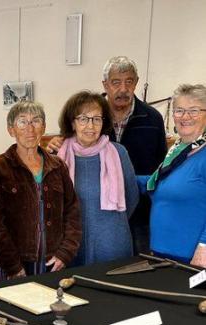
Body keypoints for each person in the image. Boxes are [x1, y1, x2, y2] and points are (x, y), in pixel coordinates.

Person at [48, 56, 167, 254]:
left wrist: (114, 222)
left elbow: (157, 168)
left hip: (130, 221)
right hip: (73, 235)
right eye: (116, 82)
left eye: (129, 81)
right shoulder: (63, 152)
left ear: (136, 83)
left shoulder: (152, 118)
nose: (123, 88)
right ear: (105, 84)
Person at [0, 101, 81, 279]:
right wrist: (13, 265)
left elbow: (72, 211)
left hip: (52, 262)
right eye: (22, 122)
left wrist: (65, 252)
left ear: (44, 127)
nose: (30, 128)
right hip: (13, 264)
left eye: (36, 121)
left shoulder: (58, 166)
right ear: (11, 130)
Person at [56, 91, 139, 266]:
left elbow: (132, 196)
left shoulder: (118, 152)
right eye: (83, 119)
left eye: (96, 119)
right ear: (72, 123)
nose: (90, 126)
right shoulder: (58, 156)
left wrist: (110, 225)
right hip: (70, 245)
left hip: (112, 243)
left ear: (104, 122)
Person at [139, 84, 206, 267]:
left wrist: (204, 247)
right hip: (162, 255)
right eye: (179, 110)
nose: (185, 117)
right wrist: (121, 174)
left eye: (193, 111)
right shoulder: (177, 151)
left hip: (193, 259)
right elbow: (158, 184)